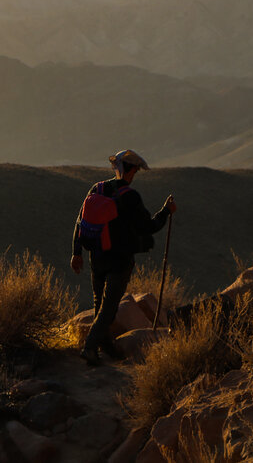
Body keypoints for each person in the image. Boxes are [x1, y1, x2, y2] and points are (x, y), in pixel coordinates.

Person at [71, 149, 176, 366]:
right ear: (131, 170)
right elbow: (149, 226)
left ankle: (107, 348)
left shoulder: (97, 188)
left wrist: (76, 252)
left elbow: (80, 221)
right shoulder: (130, 197)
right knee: (108, 310)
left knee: (100, 304)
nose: (135, 174)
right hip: (120, 261)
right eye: (135, 170)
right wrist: (166, 211)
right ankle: (90, 348)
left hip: (96, 257)